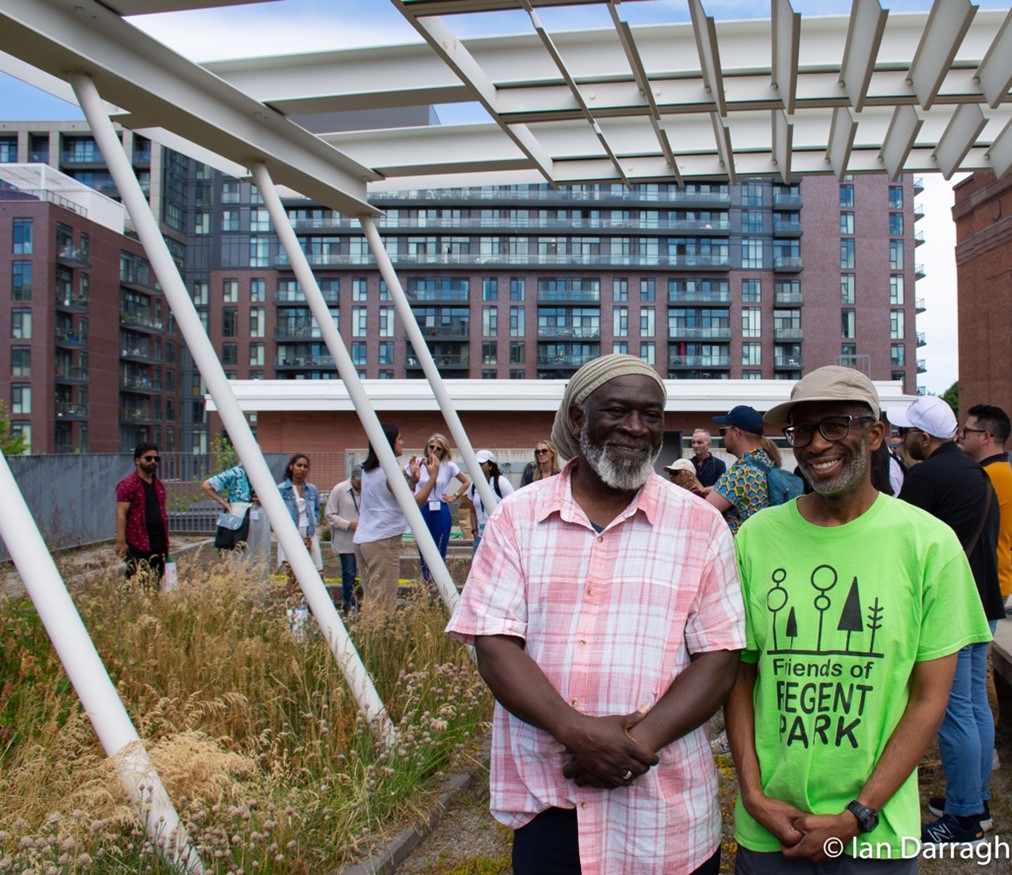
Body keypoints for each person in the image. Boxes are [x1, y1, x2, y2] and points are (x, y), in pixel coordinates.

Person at [447, 354, 745, 874]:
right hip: (551, 797)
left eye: (650, 415)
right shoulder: (518, 517)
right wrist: (576, 732)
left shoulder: (700, 526)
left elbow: (719, 656)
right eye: (617, 411)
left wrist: (632, 746)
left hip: (663, 810)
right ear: (579, 419)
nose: (635, 427)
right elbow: (494, 643)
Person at [725, 365, 991, 872]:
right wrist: (754, 794)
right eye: (802, 429)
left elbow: (931, 696)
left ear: (874, 434)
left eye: (834, 425)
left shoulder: (928, 543)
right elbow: (740, 674)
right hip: (770, 829)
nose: (815, 444)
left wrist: (860, 812)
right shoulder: (755, 538)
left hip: (876, 835)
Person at [887, 395, 1004, 844]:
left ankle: (965, 815)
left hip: (950, 609)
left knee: (953, 711)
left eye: (906, 432)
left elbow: (900, 544)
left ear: (924, 436)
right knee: (974, 706)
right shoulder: (976, 473)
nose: (902, 439)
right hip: (982, 602)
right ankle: (975, 799)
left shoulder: (928, 477)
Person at [354, 423, 439, 613]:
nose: (403, 442)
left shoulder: (369, 470)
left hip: (364, 538)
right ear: (389, 443)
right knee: (384, 603)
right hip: (382, 542)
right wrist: (432, 477)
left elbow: (392, 490)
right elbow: (413, 505)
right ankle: (379, 640)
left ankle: (368, 638)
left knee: (372, 600)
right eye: (399, 438)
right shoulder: (388, 471)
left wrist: (413, 479)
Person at [407, 433, 469, 588]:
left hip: (440, 506)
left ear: (444, 451)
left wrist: (454, 496)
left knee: (439, 546)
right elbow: (403, 477)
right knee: (423, 547)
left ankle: (438, 584)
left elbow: (466, 482)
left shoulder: (448, 466)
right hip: (423, 506)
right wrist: (413, 483)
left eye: (438, 448)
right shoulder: (419, 464)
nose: (434, 450)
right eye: (431, 447)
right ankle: (426, 582)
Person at [706, 405, 776, 535]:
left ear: (737, 433)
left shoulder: (741, 473)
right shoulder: (768, 463)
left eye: (723, 432)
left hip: (739, 551)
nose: (722, 437)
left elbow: (703, 512)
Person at [115, 442, 169, 586]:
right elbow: (121, 513)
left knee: (155, 581)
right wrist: (121, 541)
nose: (153, 462)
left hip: (159, 542)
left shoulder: (158, 485)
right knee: (136, 582)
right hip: (138, 543)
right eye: (148, 458)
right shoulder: (128, 485)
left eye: (156, 459)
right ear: (137, 460)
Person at [277, 453, 322, 597]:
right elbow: (279, 515)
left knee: (315, 572)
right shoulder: (282, 489)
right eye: (299, 465)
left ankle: (309, 606)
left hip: (308, 532)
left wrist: (310, 533)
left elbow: (315, 511)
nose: (302, 469)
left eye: (305, 466)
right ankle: (293, 608)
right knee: (293, 572)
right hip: (290, 533)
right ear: (291, 467)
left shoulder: (312, 489)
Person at [325, 465, 363, 613]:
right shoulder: (339, 490)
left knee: (363, 573)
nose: (361, 485)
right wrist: (347, 524)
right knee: (349, 572)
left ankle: (361, 602)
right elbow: (329, 515)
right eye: (358, 482)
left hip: (362, 538)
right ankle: (349, 604)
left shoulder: (366, 490)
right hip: (345, 539)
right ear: (352, 478)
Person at [202, 462, 255, 552]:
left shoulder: (255, 472)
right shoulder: (236, 472)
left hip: (247, 510)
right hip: (241, 511)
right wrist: (224, 504)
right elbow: (207, 485)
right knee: (239, 545)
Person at [468, 449, 514, 552]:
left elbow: (512, 508)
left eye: (481, 464)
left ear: (490, 466)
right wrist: (474, 531)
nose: (477, 467)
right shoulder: (473, 485)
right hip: (479, 537)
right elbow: (472, 511)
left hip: (498, 537)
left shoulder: (501, 482)